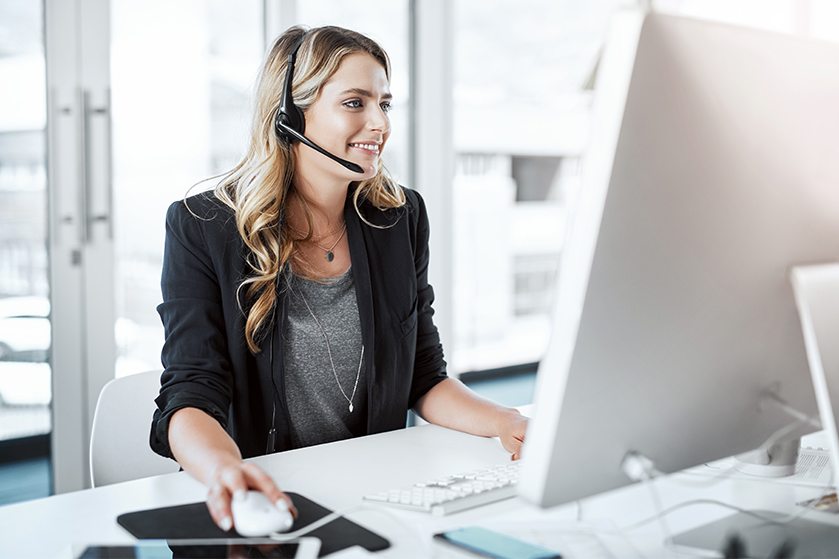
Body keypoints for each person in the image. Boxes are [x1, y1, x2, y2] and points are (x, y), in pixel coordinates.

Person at [150, 25, 528, 532]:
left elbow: (423, 375)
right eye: (355, 103)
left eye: (385, 104)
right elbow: (191, 393)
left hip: (371, 496)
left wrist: (509, 422)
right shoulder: (204, 228)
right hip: (263, 500)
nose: (380, 124)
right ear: (290, 115)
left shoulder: (398, 217)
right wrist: (226, 471)